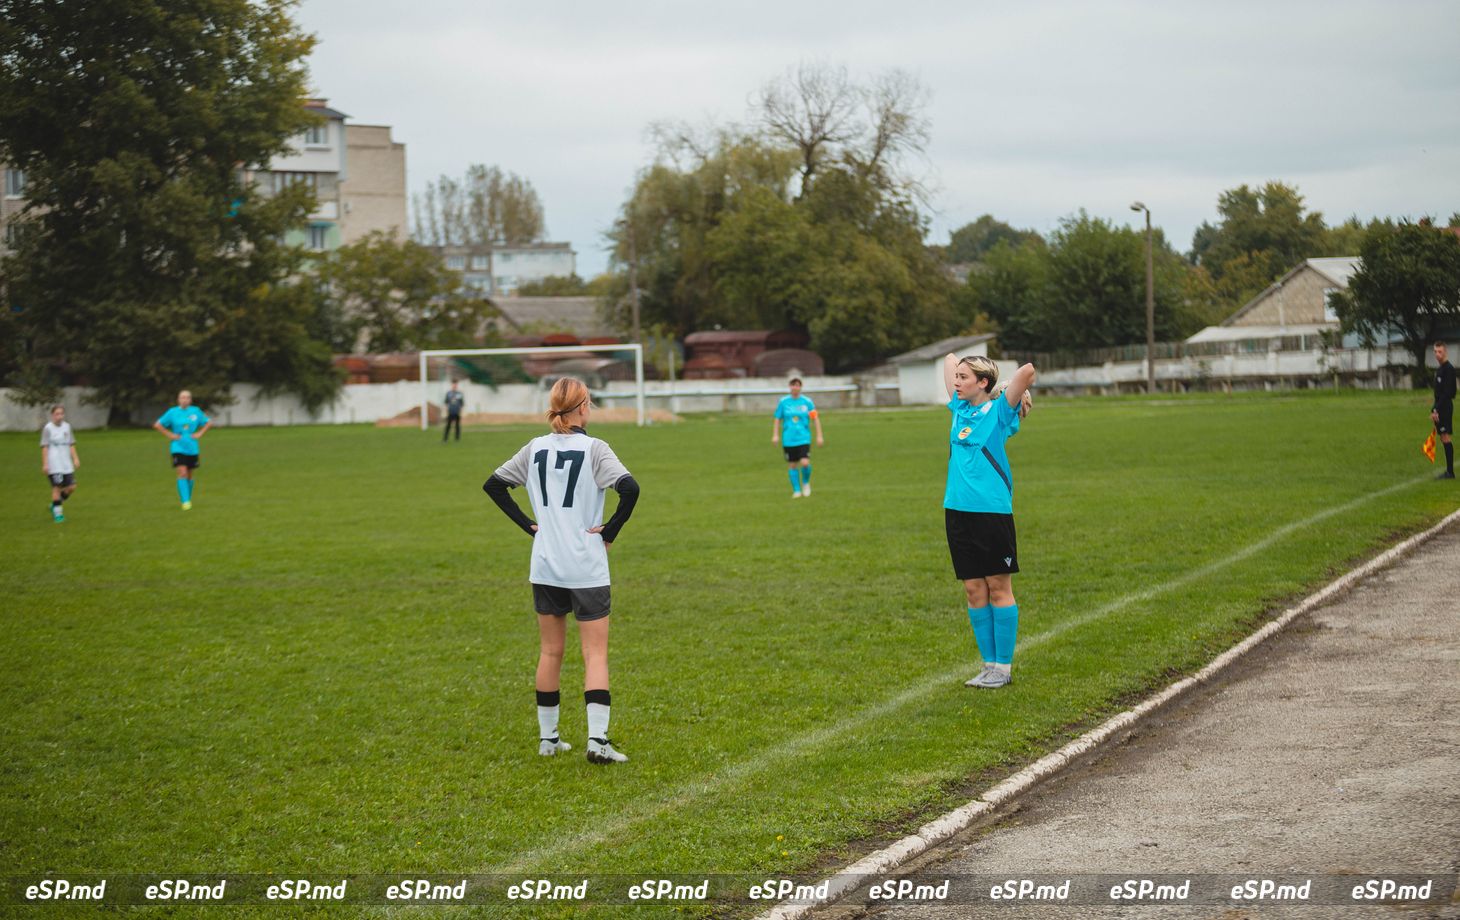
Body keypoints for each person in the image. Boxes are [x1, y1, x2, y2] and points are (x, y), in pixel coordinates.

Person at [482, 377, 641, 764]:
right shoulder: (595, 449)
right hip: (585, 564)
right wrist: (611, 531)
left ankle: (549, 739)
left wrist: (530, 526)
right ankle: (598, 742)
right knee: (595, 655)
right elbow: (630, 488)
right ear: (583, 407)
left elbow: (494, 485)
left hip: (546, 563)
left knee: (551, 652)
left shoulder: (535, 448)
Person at [942, 354, 1036, 690]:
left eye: (964, 377)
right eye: (957, 377)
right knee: (973, 589)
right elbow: (950, 359)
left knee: (998, 587)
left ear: (982, 382)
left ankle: (1003, 667)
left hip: (992, 513)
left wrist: (1005, 389)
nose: (956, 380)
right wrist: (969, 372)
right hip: (957, 511)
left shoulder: (997, 412)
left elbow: (1028, 371)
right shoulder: (959, 408)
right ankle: (988, 665)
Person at [153, 390, 211, 510]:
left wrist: (200, 433)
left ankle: (187, 499)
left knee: (189, 475)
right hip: (177, 447)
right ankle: (185, 502)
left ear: (190, 400)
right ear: (178, 400)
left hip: (192, 447)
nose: (184, 400)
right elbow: (158, 425)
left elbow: (208, 423)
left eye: (187, 398)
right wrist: (170, 435)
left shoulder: (196, 411)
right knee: (182, 472)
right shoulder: (172, 412)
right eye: (182, 397)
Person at [772, 377, 824, 498]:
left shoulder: (807, 402)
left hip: (804, 438)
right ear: (789, 387)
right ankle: (796, 490)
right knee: (792, 465)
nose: (795, 387)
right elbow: (777, 418)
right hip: (789, 439)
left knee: (805, 463)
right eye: (793, 385)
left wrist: (819, 436)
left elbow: (815, 418)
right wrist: (775, 435)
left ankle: (805, 483)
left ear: (800, 387)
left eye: (797, 385)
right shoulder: (783, 402)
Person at [40, 405, 79, 523]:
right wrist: (45, 464)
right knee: (57, 488)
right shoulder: (48, 428)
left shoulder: (67, 427)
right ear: (52, 415)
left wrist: (76, 459)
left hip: (66, 464)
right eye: (57, 414)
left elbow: (71, 444)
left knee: (72, 487)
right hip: (54, 464)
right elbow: (45, 447)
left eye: (61, 414)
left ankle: (55, 504)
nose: (59, 416)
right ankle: (58, 514)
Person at [1432, 341, 1456, 479]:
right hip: (1439, 406)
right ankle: (1449, 471)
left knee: (1445, 436)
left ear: (1445, 351)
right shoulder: (1440, 369)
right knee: (1443, 437)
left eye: (1439, 351)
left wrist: (1437, 408)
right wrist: (1434, 408)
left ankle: (1450, 472)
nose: (1437, 354)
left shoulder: (1449, 369)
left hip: (1445, 407)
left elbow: (1448, 393)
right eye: (1435, 351)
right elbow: (1438, 393)